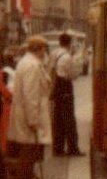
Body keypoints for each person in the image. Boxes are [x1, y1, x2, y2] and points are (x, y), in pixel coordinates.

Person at [6, 35, 52, 179]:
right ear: (40, 49)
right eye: (45, 48)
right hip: (29, 120)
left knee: (28, 156)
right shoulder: (32, 66)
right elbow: (30, 96)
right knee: (28, 156)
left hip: (25, 118)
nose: (46, 52)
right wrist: (33, 121)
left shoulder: (26, 62)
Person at [49, 32, 85, 157]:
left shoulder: (54, 54)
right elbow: (73, 75)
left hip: (57, 88)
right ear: (69, 43)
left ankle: (57, 148)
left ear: (59, 42)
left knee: (58, 119)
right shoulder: (67, 57)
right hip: (65, 88)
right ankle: (73, 148)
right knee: (69, 119)